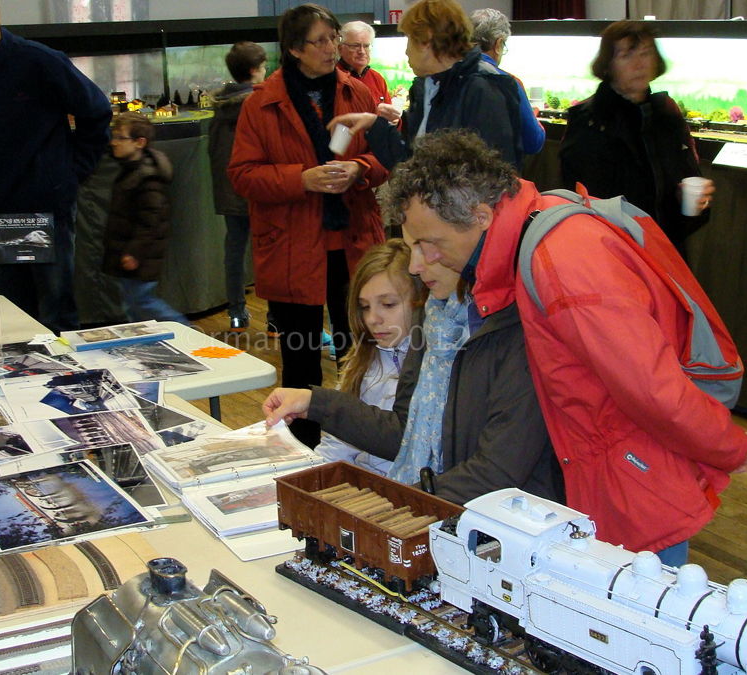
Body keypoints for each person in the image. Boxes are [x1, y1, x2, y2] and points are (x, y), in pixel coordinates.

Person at [395, 129, 747, 565]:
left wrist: (729, 448)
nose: (417, 263)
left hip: (638, 487)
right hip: (617, 476)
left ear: (480, 215)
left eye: (429, 245)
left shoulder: (560, 260)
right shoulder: (540, 228)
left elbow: (651, 386)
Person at [264, 186, 562, 505]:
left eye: (425, 245)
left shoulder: (516, 328)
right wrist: (315, 403)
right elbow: (404, 433)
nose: (415, 265)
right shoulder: (435, 320)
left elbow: (497, 469)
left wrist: (397, 504)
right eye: (411, 247)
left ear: (475, 226)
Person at [228, 3, 388, 447]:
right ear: (295, 49)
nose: (332, 49)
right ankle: (302, 449)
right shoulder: (262, 103)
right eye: (320, 41)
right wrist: (301, 179)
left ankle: (360, 441)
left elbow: (385, 158)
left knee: (359, 348)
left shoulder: (357, 91)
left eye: (333, 38)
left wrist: (359, 168)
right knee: (299, 355)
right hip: (294, 242)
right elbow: (242, 175)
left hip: (352, 237)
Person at [0, 0, 112, 333]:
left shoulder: (38, 60)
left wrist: (70, 173)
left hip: (43, 208)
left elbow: (96, 111)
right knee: (12, 310)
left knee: (55, 307)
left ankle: (67, 378)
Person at [559, 20, 712, 253]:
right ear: (608, 65)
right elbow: (580, 201)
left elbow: (687, 177)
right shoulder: (589, 120)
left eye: (646, 53)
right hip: (614, 254)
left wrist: (691, 199)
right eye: (627, 55)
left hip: (665, 250)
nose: (639, 64)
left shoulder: (666, 113)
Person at [327, 0, 524, 173]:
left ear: (428, 41)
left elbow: (492, 174)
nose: (406, 51)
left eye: (410, 40)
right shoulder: (425, 88)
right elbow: (412, 163)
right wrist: (373, 124)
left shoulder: (483, 90)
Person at [314, 240, 424, 475]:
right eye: (364, 307)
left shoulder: (434, 367)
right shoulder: (362, 357)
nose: (373, 318)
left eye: (388, 304)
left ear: (420, 300)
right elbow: (337, 445)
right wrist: (313, 476)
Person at [102, 112, 187, 326]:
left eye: (120, 137)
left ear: (139, 142)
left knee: (142, 301)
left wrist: (134, 252)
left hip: (140, 256)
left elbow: (149, 222)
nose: (113, 143)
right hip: (129, 251)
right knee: (132, 304)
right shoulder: (131, 169)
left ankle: (185, 328)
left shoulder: (147, 178)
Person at [207, 41, 267, 333]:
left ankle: (236, 313)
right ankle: (276, 317)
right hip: (257, 188)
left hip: (230, 190)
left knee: (234, 250)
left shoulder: (220, 107)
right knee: (267, 252)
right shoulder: (257, 104)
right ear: (256, 70)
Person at [469, 8, 545, 157]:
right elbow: (533, 143)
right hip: (494, 173)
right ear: (498, 44)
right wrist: (534, 117)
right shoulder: (508, 83)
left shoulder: (448, 73)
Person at [337, 21, 390, 107]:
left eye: (366, 46)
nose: (362, 51)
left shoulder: (377, 78)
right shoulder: (333, 78)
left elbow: (391, 116)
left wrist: (395, 118)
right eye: (355, 46)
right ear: (340, 49)